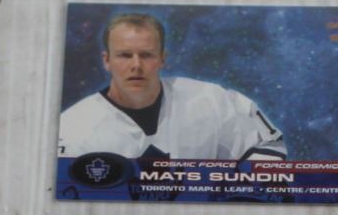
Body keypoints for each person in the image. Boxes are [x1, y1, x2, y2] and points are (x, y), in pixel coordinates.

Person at [58, 12, 288, 162]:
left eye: (146, 55)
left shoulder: (212, 100)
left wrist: (241, 196)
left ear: (162, 59)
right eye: (125, 55)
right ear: (107, 60)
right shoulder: (74, 127)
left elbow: (268, 146)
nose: (136, 65)